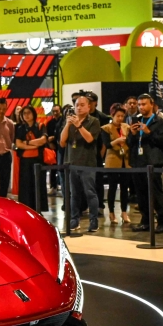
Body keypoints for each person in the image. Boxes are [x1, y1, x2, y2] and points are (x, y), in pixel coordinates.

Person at [127, 94, 163, 233]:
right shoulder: (136, 120)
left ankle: (162, 222)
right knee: (141, 194)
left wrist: (149, 132)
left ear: (152, 104)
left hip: (153, 163)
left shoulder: (159, 121)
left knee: (156, 194)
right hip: (138, 162)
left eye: (144, 104)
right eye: (139, 105)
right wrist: (132, 134)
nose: (141, 107)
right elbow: (129, 143)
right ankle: (145, 221)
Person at [60, 95, 102, 232]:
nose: (79, 107)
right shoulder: (70, 121)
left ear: (89, 106)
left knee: (90, 193)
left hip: (87, 163)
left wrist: (79, 125)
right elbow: (62, 141)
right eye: (77, 105)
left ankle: (93, 221)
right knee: (74, 194)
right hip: (72, 163)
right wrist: (68, 124)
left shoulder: (94, 121)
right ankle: (74, 220)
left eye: (82, 104)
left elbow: (90, 139)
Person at [101, 106, 132, 225]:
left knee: (125, 187)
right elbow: (107, 144)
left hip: (126, 160)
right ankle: (111, 212)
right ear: (112, 115)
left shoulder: (127, 127)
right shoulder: (105, 128)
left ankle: (124, 212)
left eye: (122, 116)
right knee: (112, 187)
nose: (120, 118)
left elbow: (130, 141)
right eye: (118, 116)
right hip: (112, 160)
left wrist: (126, 140)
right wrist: (118, 141)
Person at [15, 106, 48, 211]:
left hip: (38, 161)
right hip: (25, 161)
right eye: (24, 113)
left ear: (34, 113)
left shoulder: (41, 126)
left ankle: (38, 210)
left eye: (29, 112)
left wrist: (27, 142)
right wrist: (33, 145)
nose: (26, 115)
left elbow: (43, 140)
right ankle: (26, 210)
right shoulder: (20, 128)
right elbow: (19, 144)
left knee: (38, 185)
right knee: (25, 186)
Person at [45, 105, 62, 193]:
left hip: (62, 147)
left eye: (57, 111)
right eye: (53, 111)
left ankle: (62, 185)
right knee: (53, 168)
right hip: (53, 148)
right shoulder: (49, 123)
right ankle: (53, 186)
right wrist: (50, 143)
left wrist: (55, 137)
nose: (55, 113)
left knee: (62, 167)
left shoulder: (63, 121)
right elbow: (46, 136)